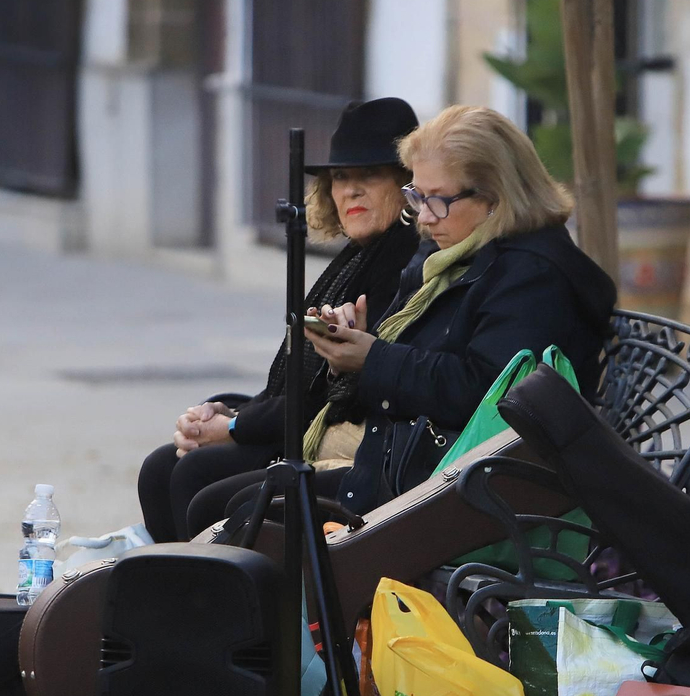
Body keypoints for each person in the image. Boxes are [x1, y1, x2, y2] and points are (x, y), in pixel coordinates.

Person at [296, 103, 616, 516]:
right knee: (238, 502)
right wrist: (357, 348)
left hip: (471, 494)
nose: (424, 218)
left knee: (242, 508)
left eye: (438, 200)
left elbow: (489, 393)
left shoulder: (532, 275)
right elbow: (429, 359)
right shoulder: (453, 254)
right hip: (418, 468)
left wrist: (372, 358)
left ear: (497, 197)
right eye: (417, 196)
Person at [136, 97, 423, 542]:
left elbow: (323, 397)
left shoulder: (401, 256)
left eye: (370, 175)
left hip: (338, 438)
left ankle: (215, 604)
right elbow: (290, 382)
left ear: (407, 184)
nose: (350, 191)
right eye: (340, 177)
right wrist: (225, 410)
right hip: (299, 422)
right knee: (161, 467)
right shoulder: (361, 252)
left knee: (195, 475)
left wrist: (234, 427)